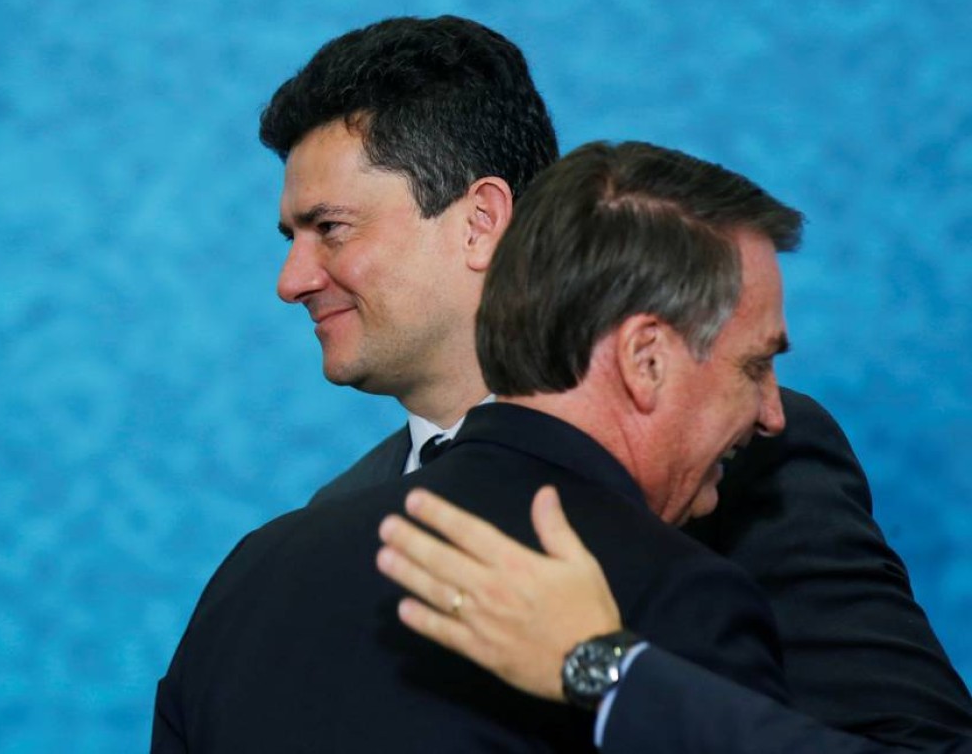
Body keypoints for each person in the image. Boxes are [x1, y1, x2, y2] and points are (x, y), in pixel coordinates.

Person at [261, 14, 972, 745]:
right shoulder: (327, 522)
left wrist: (605, 673)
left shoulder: (746, 457)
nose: (291, 281)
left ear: (480, 220)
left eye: (330, 227)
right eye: (291, 238)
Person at [153, 138, 803, 751]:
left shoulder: (255, 574)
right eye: (753, 365)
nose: (772, 413)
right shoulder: (677, 599)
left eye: (330, 229)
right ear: (646, 359)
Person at [378, 486, 972, 754]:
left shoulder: (757, 466)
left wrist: (601, 666)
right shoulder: (337, 511)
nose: (769, 411)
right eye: (754, 366)